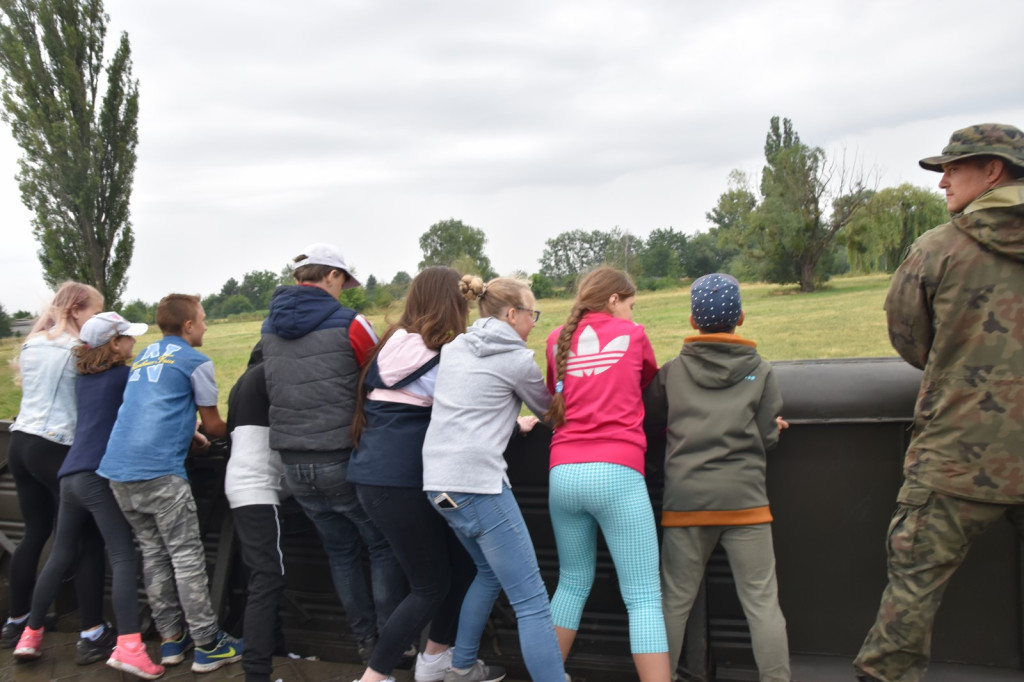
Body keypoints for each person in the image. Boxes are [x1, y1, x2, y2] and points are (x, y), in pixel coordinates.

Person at [854, 123, 1024, 682]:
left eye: (953, 168)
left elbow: (909, 339)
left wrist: (961, 362)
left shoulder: (938, 249)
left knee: (909, 602)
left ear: (993, 170)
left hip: (954, 458)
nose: (942, 181)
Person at [261, 243, 405, 662]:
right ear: (332, 276)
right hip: (341, 456)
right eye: (343, 281)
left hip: (292, 461)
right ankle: (392, 642)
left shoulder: (268, 326)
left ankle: (365, 641)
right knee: (381, 545)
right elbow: (379, 377)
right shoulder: (352, 323)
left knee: (339, 552)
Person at [643, 273, 790, 682]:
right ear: (740, 317)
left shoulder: (672, 373)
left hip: (686, 503)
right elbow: (765, 437)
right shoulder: (760, 372)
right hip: (746, 503)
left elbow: (648, 420)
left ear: (693, 321)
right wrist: (775, 430)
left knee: (673, 603)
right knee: (762, 603)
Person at [423, 276, 565, 682]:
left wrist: (505, 424)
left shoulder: (453, 349)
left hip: (438, 483)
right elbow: (551, 415)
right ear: (512, 314)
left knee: (487, 573)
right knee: (532, 599)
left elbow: (473, 402)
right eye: (532, 314)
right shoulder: (518, 360)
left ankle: (463, 667)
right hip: (479, 484)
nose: (534, 322)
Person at [12, 312, 164, 678]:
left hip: (69, 477)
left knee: (60, 555)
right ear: (115, 344)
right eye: (127, 337)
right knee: (123, 555)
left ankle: (29, 635)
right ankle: (130, 646)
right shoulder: (124, 378)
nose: (133, 342)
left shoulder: (84, 380)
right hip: (97, 476)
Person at [97, 294, 242, 674]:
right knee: (186, 557)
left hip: (117, 471)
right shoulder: (196, 361)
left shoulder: (144, 355)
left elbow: (153, 408)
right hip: (159, 471)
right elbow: (213, 426)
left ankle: (172, 640)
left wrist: (185, 433)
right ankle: (209, 644)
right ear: (189, 326)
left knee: (154, 555)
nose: (207, 325)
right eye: (204, 319)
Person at [347, 267, 477, 682]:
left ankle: (435, 659)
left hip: (372, 476)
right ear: (454, 302)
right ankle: (376, 675)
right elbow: (465, 412)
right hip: (401, 481)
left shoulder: (392, 343)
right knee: (431, 584)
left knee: (460, 564)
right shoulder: (444, 353)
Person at [544, 267, 669, 682]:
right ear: (614, 300)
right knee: (644, 598)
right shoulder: (633, 336)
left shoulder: (553, 341)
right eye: (630, 305)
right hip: (617, 472)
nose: (633, 313)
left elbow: (555, 392)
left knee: (572, 583)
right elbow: (648, 383)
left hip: (562, 474)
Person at [3, 282, 109, 663]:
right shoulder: (79, 350)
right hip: (58, 446)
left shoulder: (33, 342)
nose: (96, 320)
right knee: (87, 541)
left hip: (20, 444)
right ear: (77, 310)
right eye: (95, 313)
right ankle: (93, 631)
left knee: (34, 533)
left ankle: (15, 622)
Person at [224, 341, 289, 682]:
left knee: (259, 575)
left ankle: (274, 647)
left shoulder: (241, 383)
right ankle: (257, 672)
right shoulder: (269, 376)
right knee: (268, 577)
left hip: (241, 484)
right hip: (258, 488)